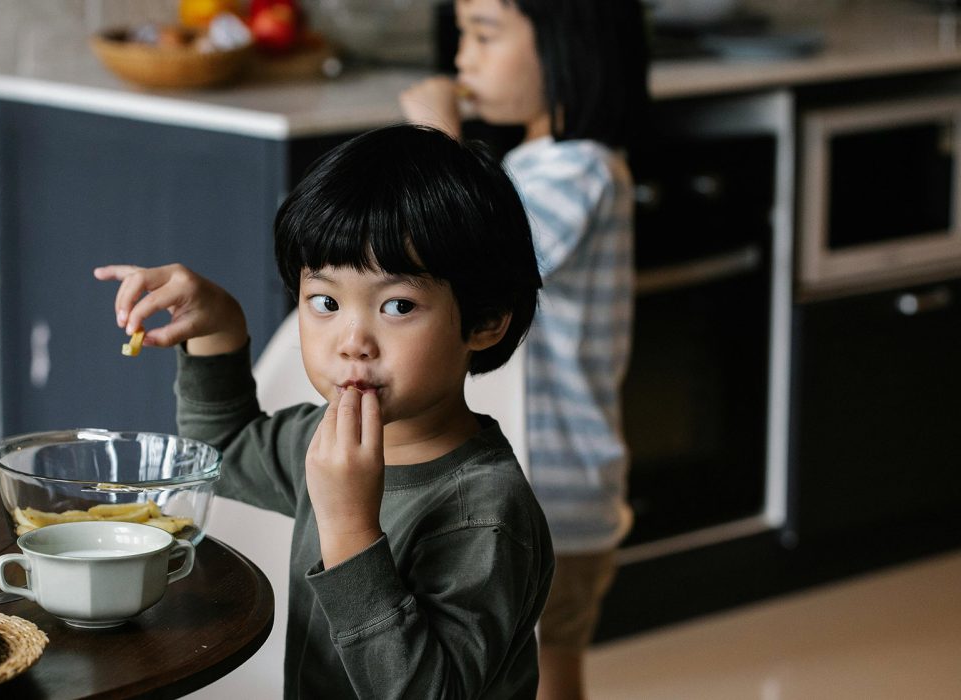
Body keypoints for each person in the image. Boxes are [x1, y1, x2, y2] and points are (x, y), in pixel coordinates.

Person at [94, 124, 554, 698]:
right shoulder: (327, 440)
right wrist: (219, 328)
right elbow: (228, 456)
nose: (352, 340)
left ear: (486, 321)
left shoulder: (486, 511)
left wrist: (349, 528)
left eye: (398, 305)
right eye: (326, 302)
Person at [399, 2, 650, 699]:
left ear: (571, 45)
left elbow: (485, 251)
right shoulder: (539, 164)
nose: (461, 58)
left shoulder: (582, 170)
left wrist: (436, 142)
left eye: (484, 33)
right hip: (546, 491)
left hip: (553, 494)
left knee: (538, 676)